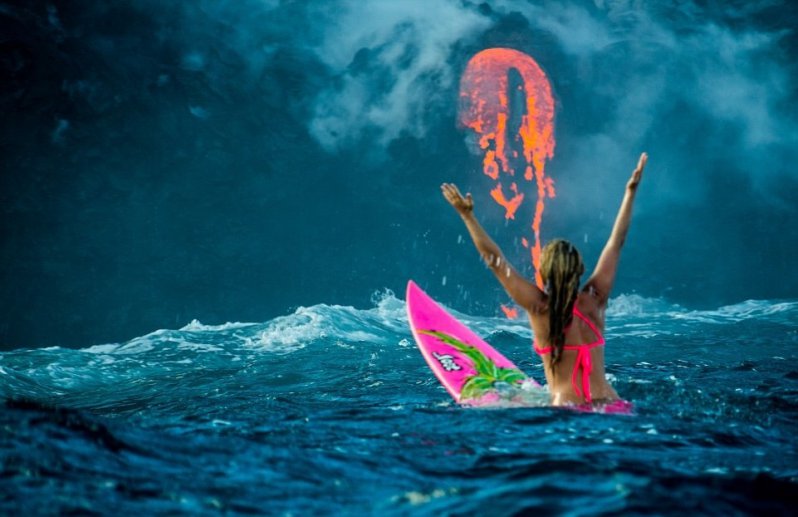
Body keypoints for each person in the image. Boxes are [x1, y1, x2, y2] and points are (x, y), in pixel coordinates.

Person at [441, 153, 647, 408]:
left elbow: (494, 261)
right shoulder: (595, 299)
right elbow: (616, 243)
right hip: (613, 405)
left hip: (566, 410)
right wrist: (630, 193)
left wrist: (467, 216)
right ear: (580, 269)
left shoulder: (539, 308)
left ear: (544, 273)